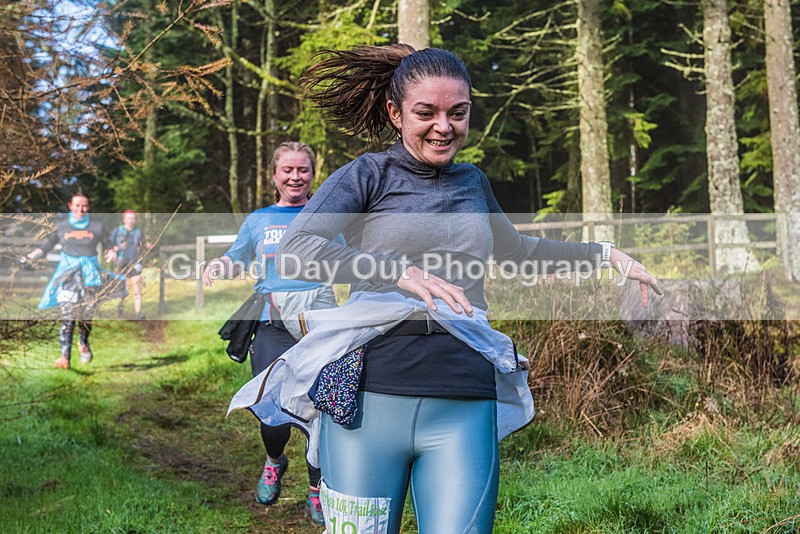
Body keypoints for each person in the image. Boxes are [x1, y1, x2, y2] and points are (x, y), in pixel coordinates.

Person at [229, 45, 662, 533]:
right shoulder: (368, 175)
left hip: (463, 396)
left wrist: (606, 255)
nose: (444, 126)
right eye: (426, 113)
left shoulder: (473, 182)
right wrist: (397, 271)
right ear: (395, 113)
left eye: (458, 113)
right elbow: (295, 249)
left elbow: (517, 251)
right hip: (368, 398)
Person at [202, 142, 338, 526]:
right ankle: (275, 460)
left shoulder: (326, 217)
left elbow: (349, 261)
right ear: (274, 176)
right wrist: (220, 265)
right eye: (288, 170)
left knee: (322, 408)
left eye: (303, 170)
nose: (295, 177)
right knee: (271, 409)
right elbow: (237, 257)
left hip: (318, 322)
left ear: (313, 174)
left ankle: (317, 489)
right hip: (271, 323)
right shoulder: (259, 220)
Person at [22, 192, 125, 369]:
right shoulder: (62, 225)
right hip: (68, 276)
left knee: (87, 315)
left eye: (84, 206)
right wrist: (30, 257)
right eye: (77, 205)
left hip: (90, 276)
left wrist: (112, 252)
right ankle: (64, 357)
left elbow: (109, 245)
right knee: (68, 316)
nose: (80, 209)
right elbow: (46, 247)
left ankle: (83, 341)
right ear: (70, 206)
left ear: (88, 207)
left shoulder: (97, 226)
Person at [109, 210, 151, 320]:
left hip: (135, 263)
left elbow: (142, 244)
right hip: (121, 263)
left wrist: (147, 245)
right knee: (123, 289)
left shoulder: (138, 232)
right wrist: (114, 249)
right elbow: (108, 244)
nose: (131, 221)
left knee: (137, 288)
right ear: (124, 219)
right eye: (129, 218)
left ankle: (138, 313)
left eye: (133, 218)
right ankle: (120, 311)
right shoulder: (117, 231)